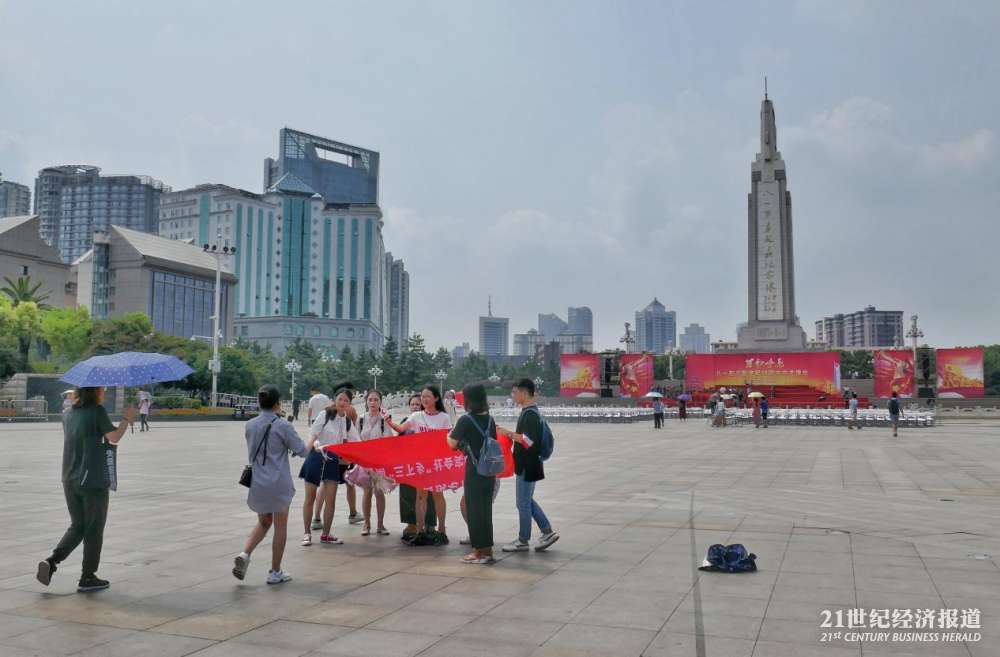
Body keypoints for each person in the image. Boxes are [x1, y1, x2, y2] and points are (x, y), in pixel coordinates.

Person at [37, 387, 136, 592]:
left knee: (78, 525)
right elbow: (114, 437)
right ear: (95, 391)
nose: (104, 392)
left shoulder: (68, 414)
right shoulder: (97, 411)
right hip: (91, 480)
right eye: (102, 389)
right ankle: (88, 577)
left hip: (69, 477)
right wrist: (126, 419)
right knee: (94, 529)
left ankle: (52, 561)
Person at [232, 384, 307, 585]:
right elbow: (302, 450)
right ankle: (275, 571)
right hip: (279, 483)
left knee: (265, 521)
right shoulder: (283, 426)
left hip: (258, 482)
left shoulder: (250, 425)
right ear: (277, 403)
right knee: (280, 526)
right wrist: (315, 441)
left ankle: (245, 554)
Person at [383, 385, 452, 545]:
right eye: (422, 396)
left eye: (428, 396)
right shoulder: (416, 416)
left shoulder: (443, 417)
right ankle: (420, 531)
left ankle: (442, 531)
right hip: (421, 462)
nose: (424, 399)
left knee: (437, 495)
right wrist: (389, 422)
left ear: (436, 398)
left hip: (435, 463)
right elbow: (401, 429)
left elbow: (448, 439)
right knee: (421, 496)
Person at [498, 378, 559, 553]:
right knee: (526, 501)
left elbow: (528, 441)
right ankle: (547, 531)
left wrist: (508, 434)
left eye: (514, 392)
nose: (512, 395)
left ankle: (523, 540)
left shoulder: (530, 414)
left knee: (522, 503)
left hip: (528, 463)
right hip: (531, 463)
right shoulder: (531, 412)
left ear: (524, 393)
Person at [299, 388, 359, 546]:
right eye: (340, 399)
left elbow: (357, 441)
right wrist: (308, 449)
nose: (343, 403)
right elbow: (313, 434)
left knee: (330, 500)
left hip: (332, 461)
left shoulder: (347, 422)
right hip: (316, 457)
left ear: (350, 404)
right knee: (310, 498)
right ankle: (307, 533)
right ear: (334, 400)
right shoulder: (324, 415)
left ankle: (326, 534)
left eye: (346, 400)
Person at [447, 384, 496, 564]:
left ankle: (478, 552)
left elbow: (452, 443)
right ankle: (487, 550)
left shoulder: (466, 420)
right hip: (489, 470)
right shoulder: (490, 419)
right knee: (485, 510)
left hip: (474, 471)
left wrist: (448, 434)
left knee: (474, 510)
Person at [396, 394, 437, 541]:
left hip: (426, 465)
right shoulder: (404, 422)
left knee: (429, 495)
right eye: (412, 404)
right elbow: (397, 444)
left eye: (417, 404)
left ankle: (430, 523)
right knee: (407, 494)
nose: (414, 407)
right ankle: (411, 524)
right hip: (408, 465)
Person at [358, 390, 392, 536]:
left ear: (380, 402)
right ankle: (366, 524)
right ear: (366, 402)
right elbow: (356, 439)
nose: (372, 402)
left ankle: (380, 525)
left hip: (379, 462)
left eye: (376, 400)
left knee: (379, 492)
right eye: (370, 400)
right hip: (364, 462)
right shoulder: (360, 419)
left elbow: (389, 441)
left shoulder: (384, 420)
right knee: (367, 492)